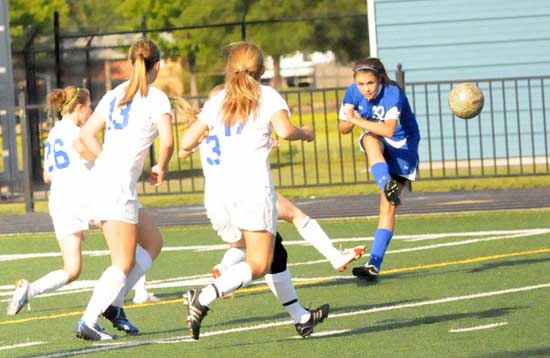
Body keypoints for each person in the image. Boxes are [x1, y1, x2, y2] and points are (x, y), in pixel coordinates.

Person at [178, 42, 328, 340]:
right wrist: (306, 133)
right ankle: (203, 298)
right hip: (254, 189)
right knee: (258, 263)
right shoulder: (267, 94)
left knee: (275, 253)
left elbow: (186, 142)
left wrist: (207, 132)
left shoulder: (219, 99)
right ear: (262, 70)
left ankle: (301, 318)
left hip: (228, 192)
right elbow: (285, 131)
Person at [75, 38, 174, 341]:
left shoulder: (114, 93)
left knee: (153, 241)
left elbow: (86, 134)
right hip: (116, 185)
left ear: (132, 64)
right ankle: (88, 321)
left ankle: (114, 305)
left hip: (110, 181)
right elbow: (168, 141)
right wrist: (161, 166)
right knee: (123, 260)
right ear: (157, 65)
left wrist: (106, 159)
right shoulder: (156, 98)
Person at [6, 86, 94, 316]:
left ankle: (29, 290)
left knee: (72, 269)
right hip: (81, 198)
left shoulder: (54, 132)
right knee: (128, 229)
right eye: (90, 106)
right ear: (79, 108)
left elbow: (47, 175)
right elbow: (93, 156)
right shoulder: (77, 133)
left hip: (60, 201)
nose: (92, 111)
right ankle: (134, 291)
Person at [338, 57, 420, 281]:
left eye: (370, 83)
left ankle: (374, 264)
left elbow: (390, 130)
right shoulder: (353, 92)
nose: (365, 89)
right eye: (361, 84)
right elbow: (343, 127)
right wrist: (349, 117)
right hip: (377, 138)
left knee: (388, 210)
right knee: (369, 140)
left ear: (380, 79)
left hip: (403, 146)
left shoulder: (393, 93)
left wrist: (357, 121)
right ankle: (387, 184)